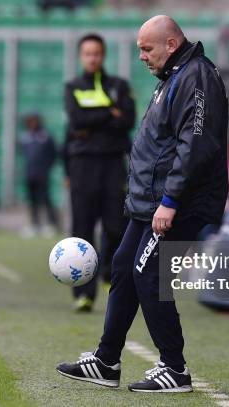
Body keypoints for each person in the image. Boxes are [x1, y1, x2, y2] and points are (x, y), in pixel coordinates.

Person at [57, 15, 228, 392]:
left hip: (175, 202)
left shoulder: (196, 77)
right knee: (122, 265)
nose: (141, 57)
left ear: (171, 44)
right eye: (138, 50)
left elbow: (195, 146)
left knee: (148, 271)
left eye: (147, 49)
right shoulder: (173, 77)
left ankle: (174, 368)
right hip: (150, 201)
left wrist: (170, 200)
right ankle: (106, 360)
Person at [63, 33, 136, 312]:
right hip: (83, 166)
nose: (92, 58)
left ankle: (108, 273)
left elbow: (127, 120)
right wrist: (109, 114)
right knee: (82, 229)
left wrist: (93, 121)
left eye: (97, 53)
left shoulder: (119, 86)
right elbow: (76, 120)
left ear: (103, 55)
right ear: (82, 56)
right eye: (87, 54)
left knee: (116, 226)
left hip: (113, 164)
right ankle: (84, 293)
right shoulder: (73, 87)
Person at [19, 112, 59, 238]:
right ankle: (34, 225)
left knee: (46, 199)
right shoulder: (25, 137)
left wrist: (47, 167)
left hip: (43, 174)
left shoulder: (46, 136)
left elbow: (54, 153)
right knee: (32, 201)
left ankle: (52, 224)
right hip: (29, 173)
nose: (32, 123)